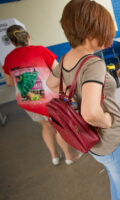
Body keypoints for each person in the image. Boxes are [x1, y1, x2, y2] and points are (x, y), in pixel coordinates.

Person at [46, 0, 120, 199]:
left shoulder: (66, 58)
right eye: (105, 31)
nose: (109, 39)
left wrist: (76, 97)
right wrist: (108, 120)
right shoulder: (92, 63)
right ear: (90, 30)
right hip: (109, 139)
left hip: (89, 139)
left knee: (116, 180)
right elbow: (90, 113)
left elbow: (51, 84)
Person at [2, 25, 80, 166]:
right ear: (28, 36)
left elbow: (8, 82)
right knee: (58, 127)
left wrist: (25, 78)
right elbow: (58, 73)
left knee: (45, 125)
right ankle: (69, 156)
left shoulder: (8, 58)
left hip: (28, 100)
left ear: (12, 42)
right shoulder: (40, 50)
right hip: (49, 99)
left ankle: (55, 157)